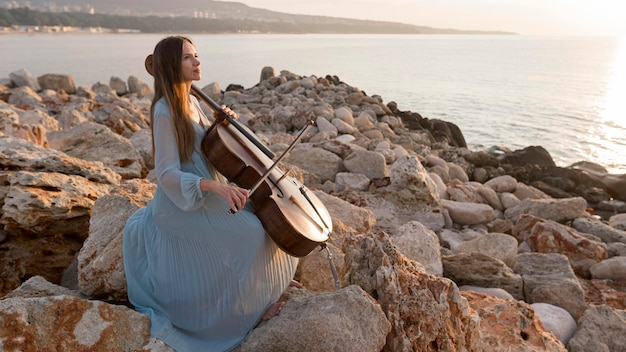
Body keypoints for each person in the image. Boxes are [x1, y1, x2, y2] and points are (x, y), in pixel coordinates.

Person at [123, 35, 299, 352]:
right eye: (188, 58)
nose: (197, 62)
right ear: (172, 67)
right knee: (250, 233)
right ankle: (249, 314)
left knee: (263, 221)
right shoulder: (164, 110)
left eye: (196, 55)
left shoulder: (191, 100)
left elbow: (209, 146)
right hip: (182, 204)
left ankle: (266, 284)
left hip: (208, 192)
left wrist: (221, 123)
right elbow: (165, 174)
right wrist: (214, 186)